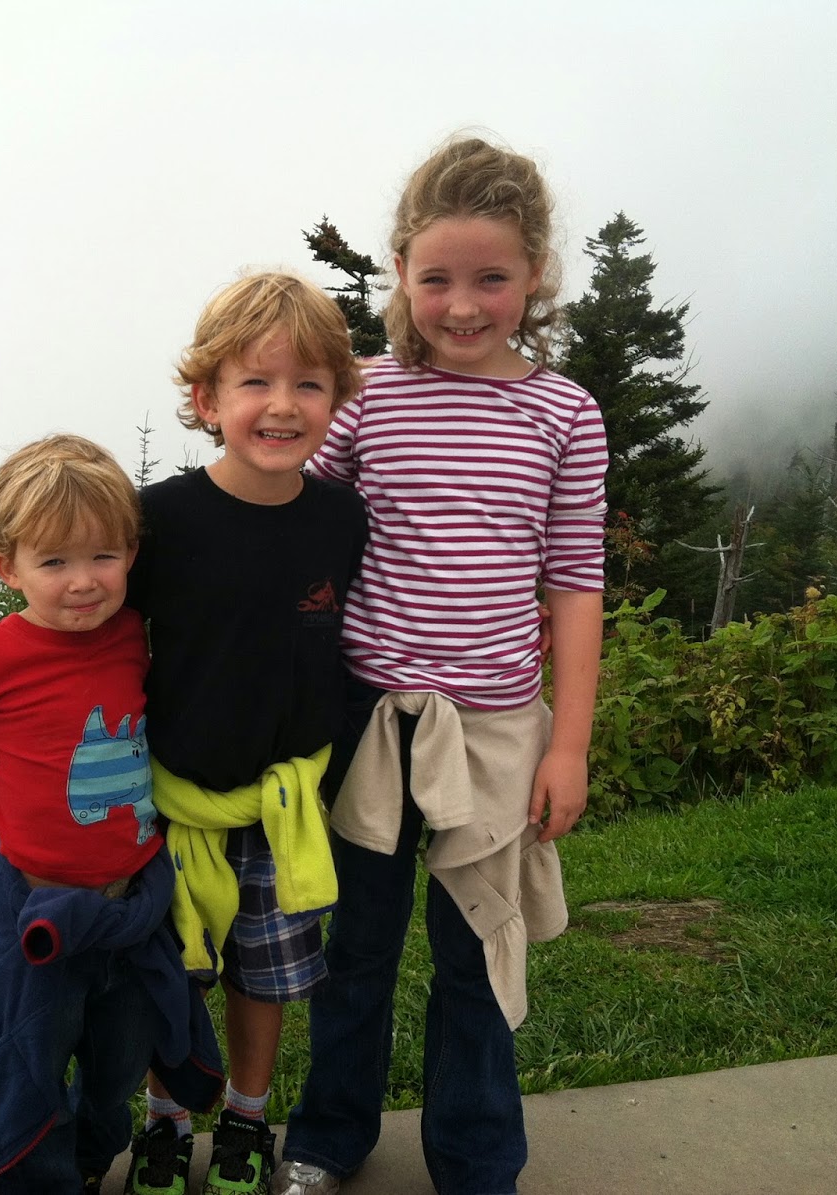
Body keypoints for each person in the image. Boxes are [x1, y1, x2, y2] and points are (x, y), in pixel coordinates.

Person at [0, 272, 368, 1195]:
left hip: (282, 803)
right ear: (208, 399)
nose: (283, 404)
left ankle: (247, 1119)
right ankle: (165, 1119)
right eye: (256, 382)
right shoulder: (161, 520)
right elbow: (77, 631)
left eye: (309, 384)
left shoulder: (341, 517)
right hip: (166, 798)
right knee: (168, 973)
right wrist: (4, 727)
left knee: (263, 977)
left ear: (336, 399)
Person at [275, 136, 608, 1195]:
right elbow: (293, 514)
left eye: (491, 278)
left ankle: (475, 1160)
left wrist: (568, 744)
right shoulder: (366, 396)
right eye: (436, 280)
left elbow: (575, 584)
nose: (462, 306)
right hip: (369, 717)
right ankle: (328, 1136)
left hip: (499, 729)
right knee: (357, 944)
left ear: (535, 275)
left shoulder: (565, 413)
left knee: (477, 949)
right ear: (401, 273)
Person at [0, 434, 220, 1195]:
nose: (82, 581)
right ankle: (36, 1178)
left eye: (103, 556)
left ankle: (88, 1157)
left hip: (130, 904)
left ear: (131, 553)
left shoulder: (132, 636)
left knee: (119, 1061)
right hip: (30, 906)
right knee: (21, 1061)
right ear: (6, 567)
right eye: (54, 562)